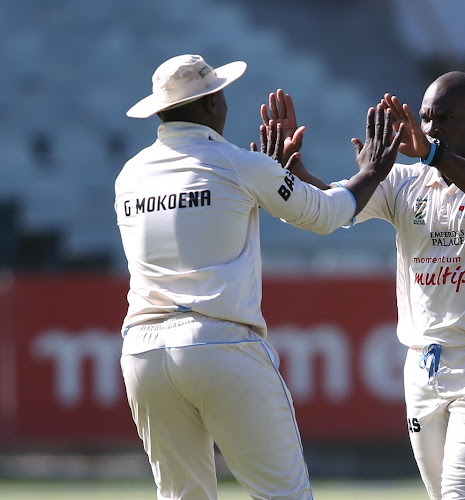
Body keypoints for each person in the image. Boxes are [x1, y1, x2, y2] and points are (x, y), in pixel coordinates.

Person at [115, 54, 402, 500]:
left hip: (142, 353)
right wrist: (372, 171)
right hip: (220, 343)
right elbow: (327, 215)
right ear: (211, 104)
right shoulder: (236, 163)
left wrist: (269, 179)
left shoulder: (129, 175)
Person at [282, 71, 465, 499]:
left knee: (462, 495)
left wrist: (433, 155)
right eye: (424, 118)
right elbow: (334, 206)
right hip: (423, 365)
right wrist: (295, 175)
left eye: (444, 117)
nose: (430, 128)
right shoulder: (405, 181)